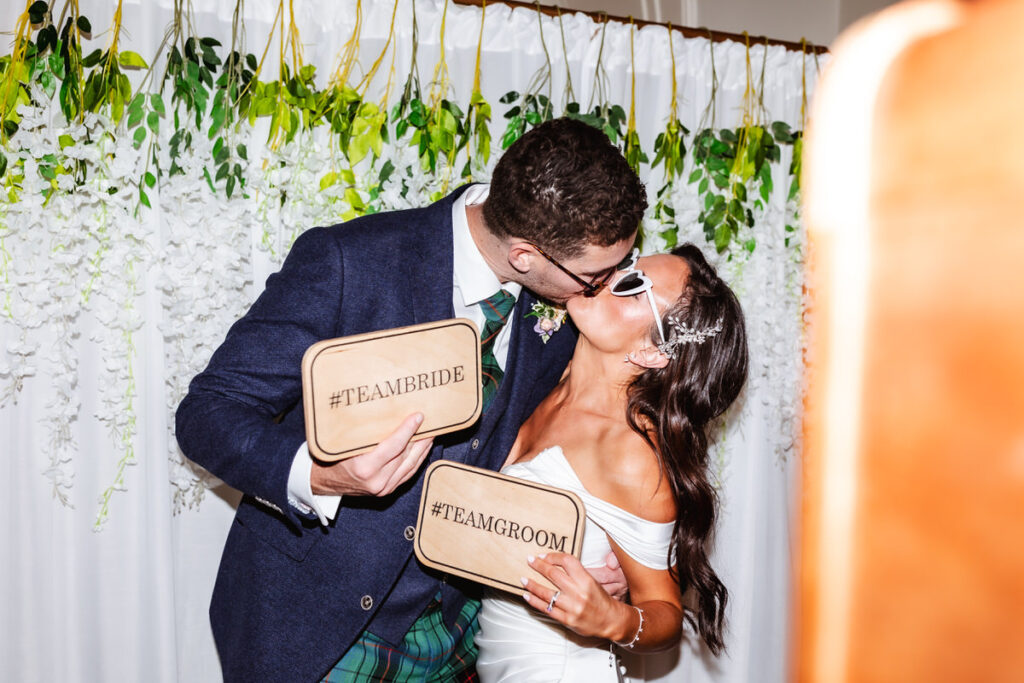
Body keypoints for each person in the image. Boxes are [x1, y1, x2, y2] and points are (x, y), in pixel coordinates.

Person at [174, 118, 647, 682]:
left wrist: (606, 549)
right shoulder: (349, 261)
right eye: (595, 277)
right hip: (314, 629)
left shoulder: (570, 303)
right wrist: (320, 476)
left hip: (461, 633)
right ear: (525, 254)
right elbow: (208, 413)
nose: (610, 285)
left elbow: (569, 431)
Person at [474, 244, 748, 681]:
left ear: (653, 354)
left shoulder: (632, 453)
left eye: (635, 286)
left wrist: (610, 618)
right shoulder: (547, 371)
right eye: (630, 263)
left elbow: (664, 611)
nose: (613, 275)